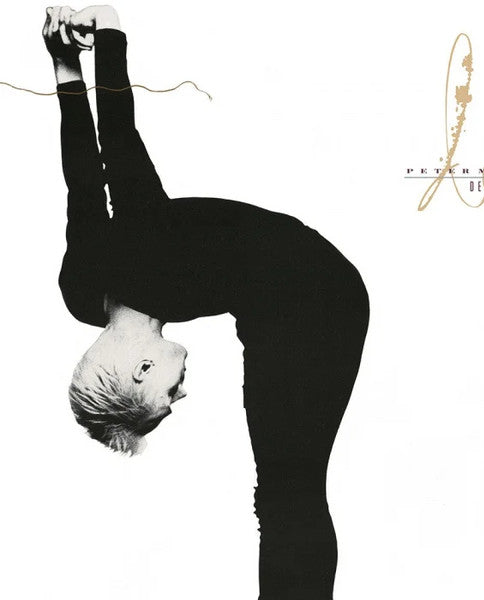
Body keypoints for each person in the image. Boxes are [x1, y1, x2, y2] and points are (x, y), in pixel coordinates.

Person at [44, 5, 370, 599]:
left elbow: (117, 143)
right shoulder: (81, 292)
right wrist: (67, 66)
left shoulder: (157, 267)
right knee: (282, 492)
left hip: (319, 297)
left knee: (288, 491)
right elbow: (83, 180)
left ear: (141, 369)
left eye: (166, 398)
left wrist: (111, 33)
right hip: (277, 304)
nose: (181, 394)